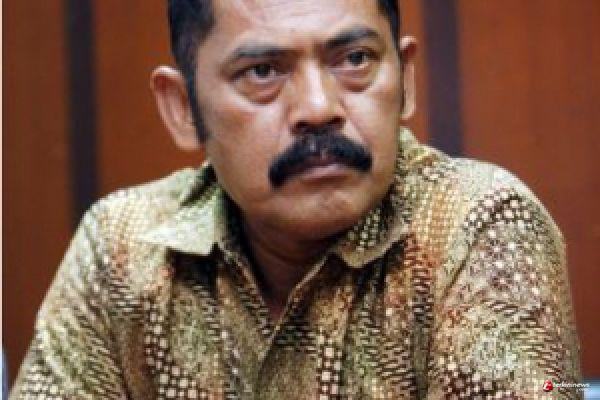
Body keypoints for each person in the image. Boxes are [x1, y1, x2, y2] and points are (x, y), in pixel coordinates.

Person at [11, 1, 581, 399]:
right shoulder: (121, 248)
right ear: (183, 108)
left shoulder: (479, 225)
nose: (318, 107)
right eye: (262, 71)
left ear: (404, 79)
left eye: (354, 59)